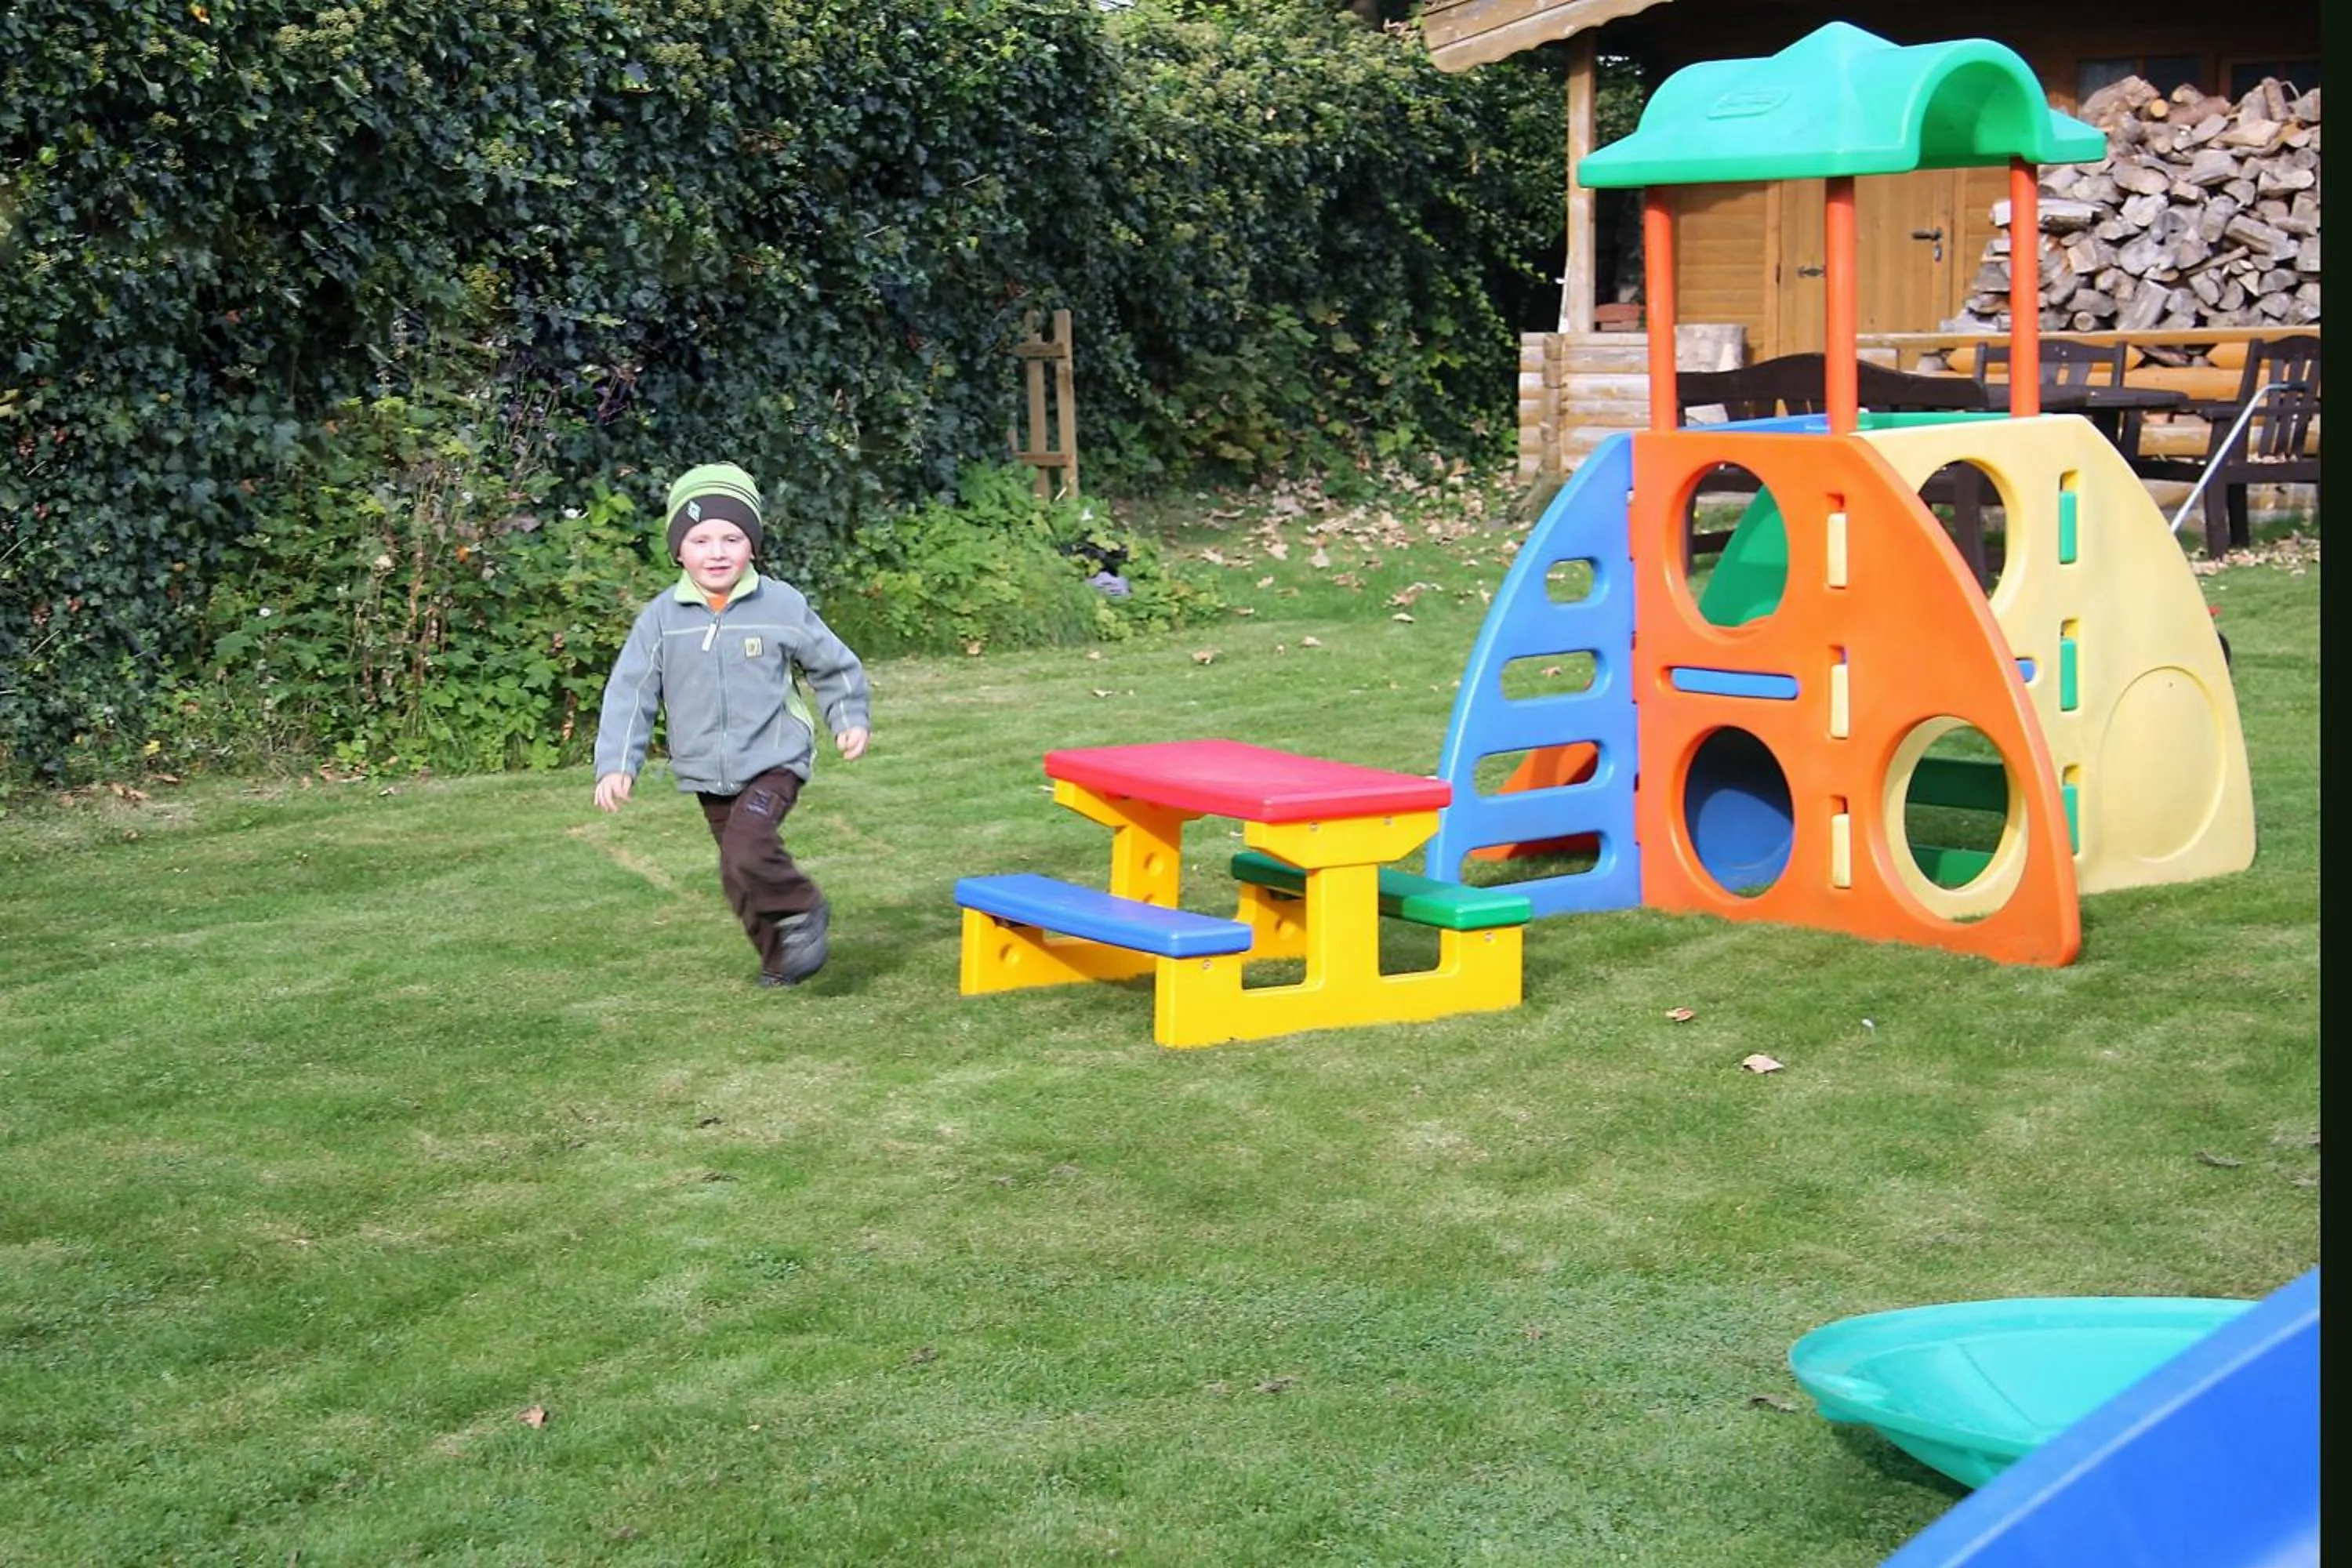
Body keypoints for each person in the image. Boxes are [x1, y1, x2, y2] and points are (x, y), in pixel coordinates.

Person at [593, 462, 872, 988]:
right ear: (679, 549)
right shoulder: (661, 619)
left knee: (749, 848)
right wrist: (616, 763)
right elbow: (631, 692)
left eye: (732, 537)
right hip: (705, 767)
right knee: (736, 872)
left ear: (753, 546)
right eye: (700, 539)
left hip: (774, 756)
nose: (717, 552)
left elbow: (832, 664)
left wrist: (848, 716)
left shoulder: (780, 604)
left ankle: (804, 906)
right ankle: (779, 960)